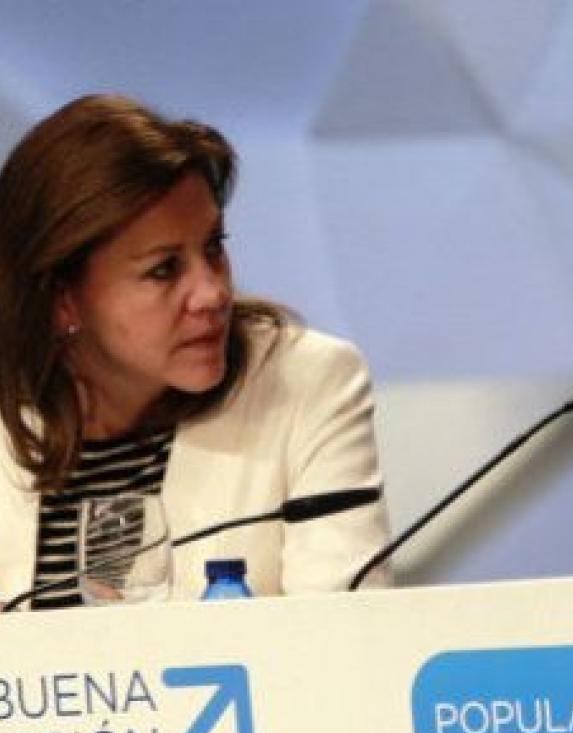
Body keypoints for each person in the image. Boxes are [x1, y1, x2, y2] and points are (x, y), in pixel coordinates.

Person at [0, 94, 393, 609]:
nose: (212, 293)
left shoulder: (306, 383)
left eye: (213, 248)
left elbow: (345, 635)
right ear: (62, 300)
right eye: (163, 270)